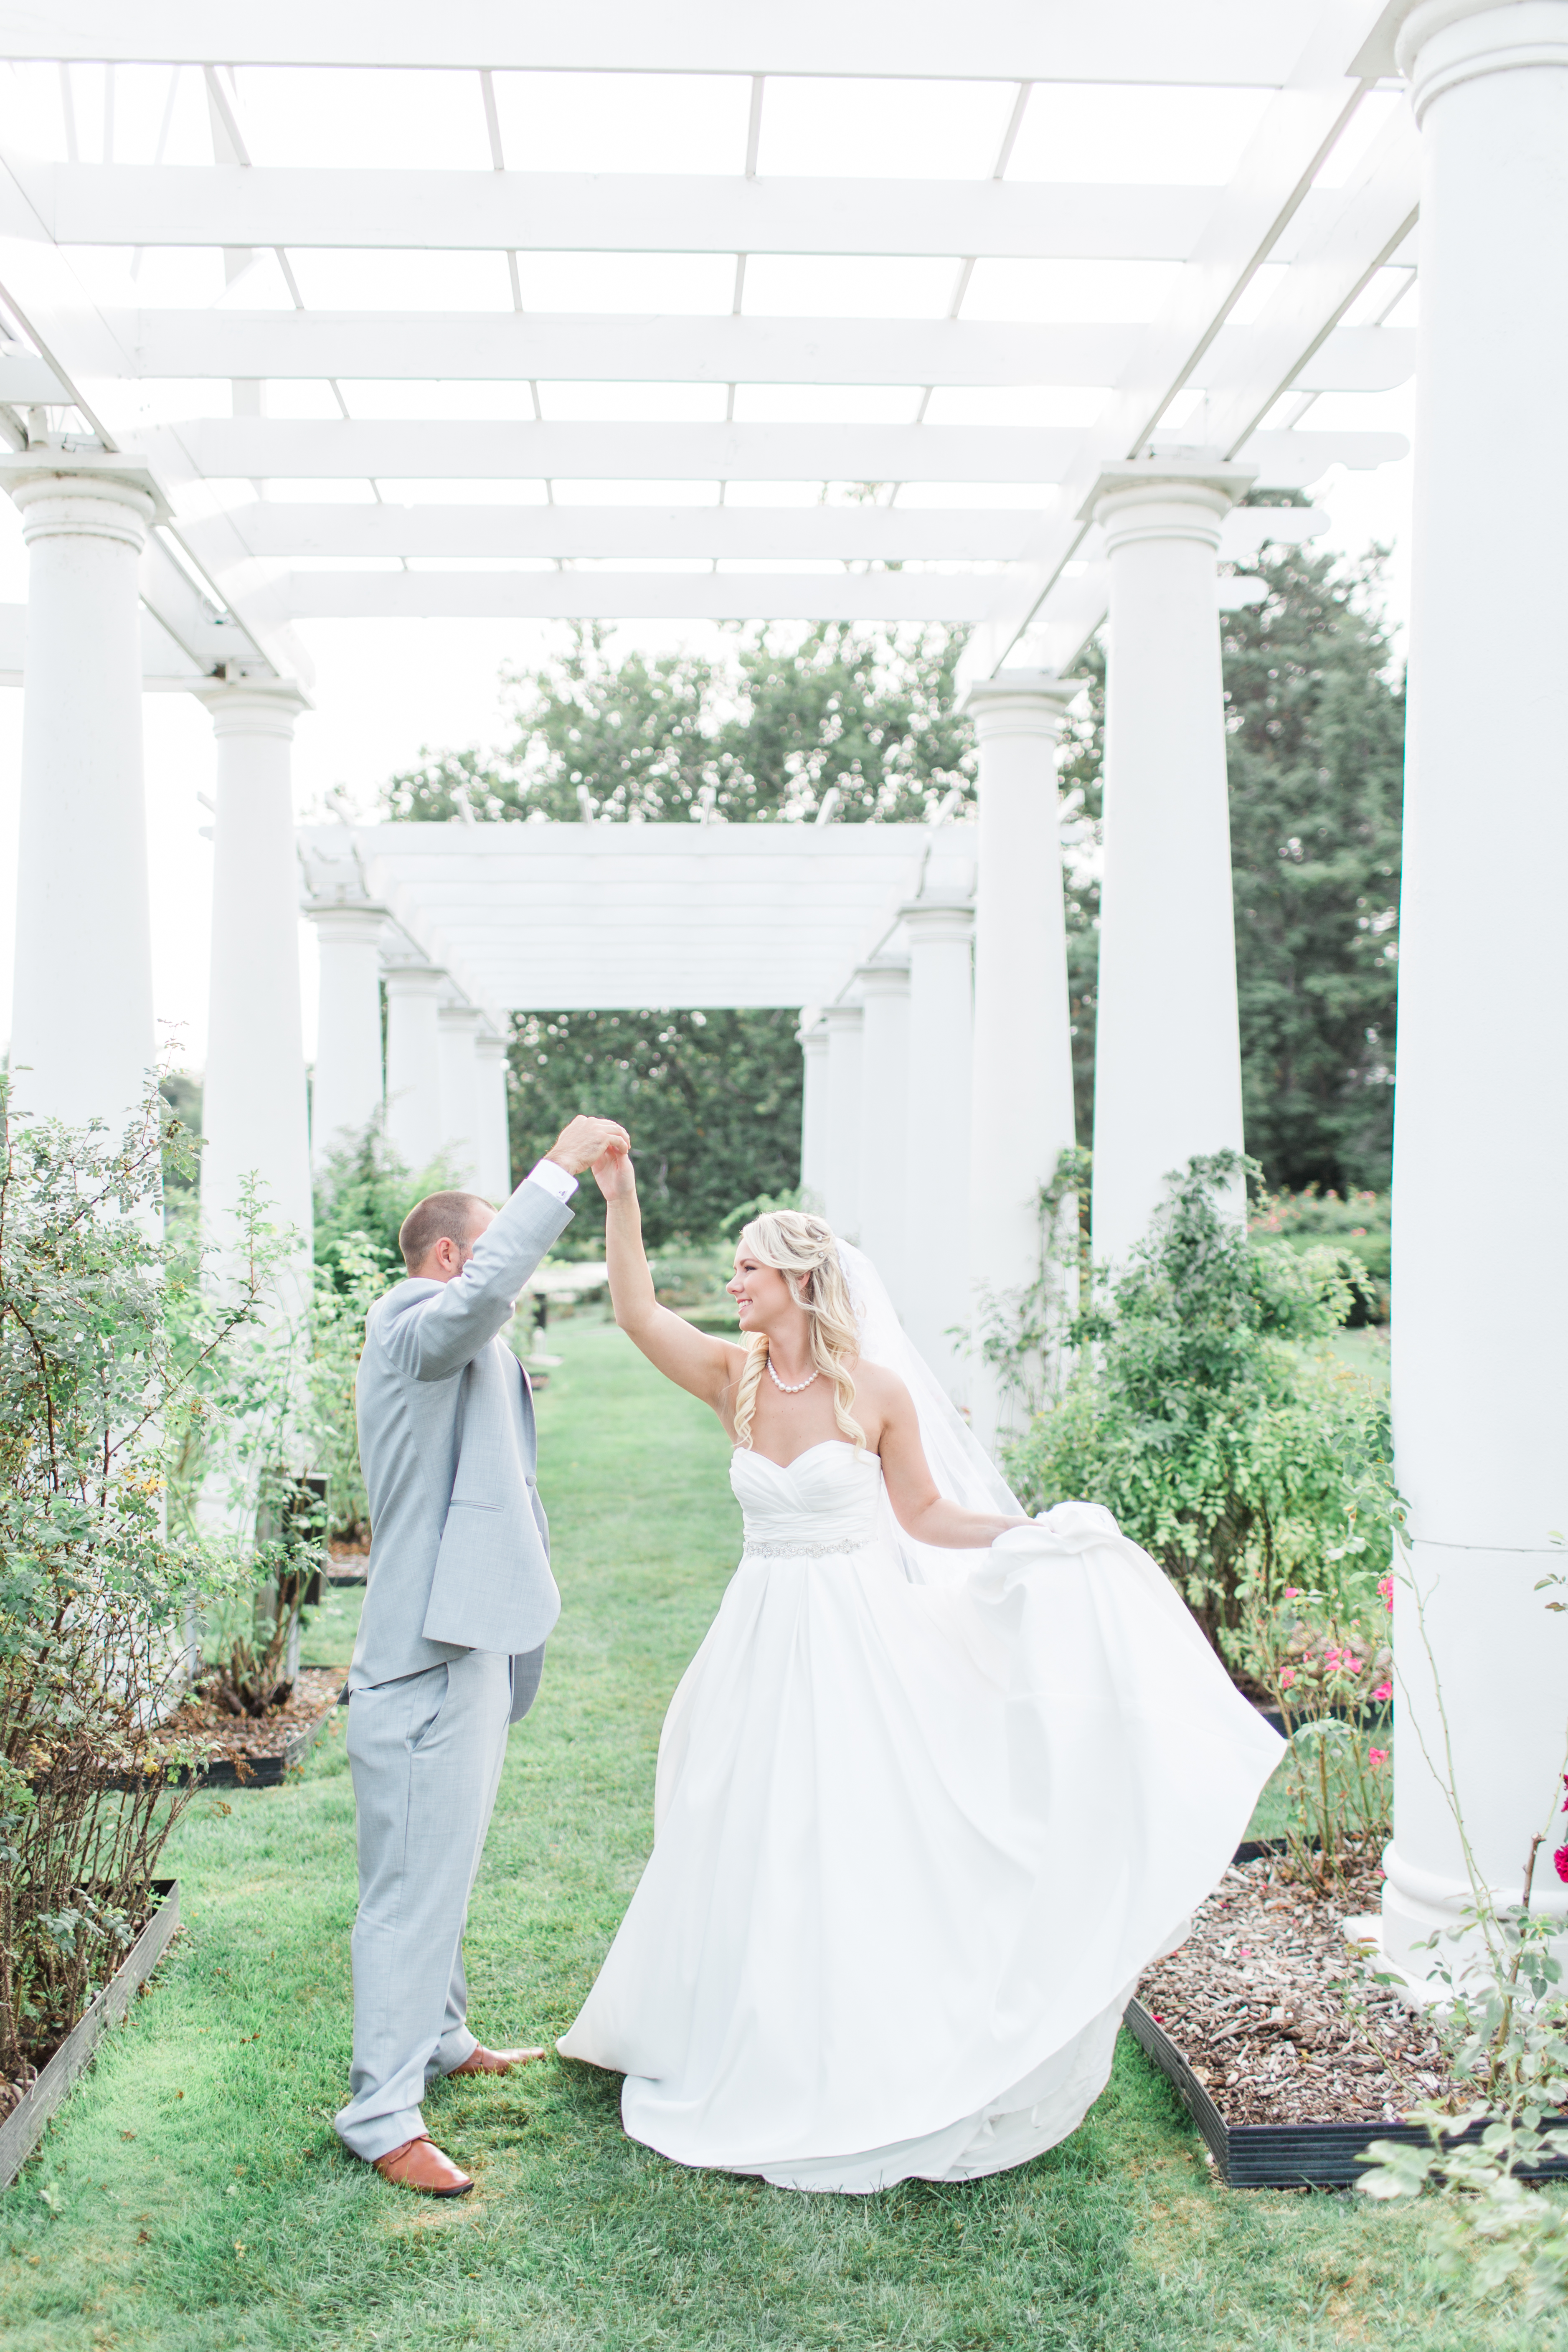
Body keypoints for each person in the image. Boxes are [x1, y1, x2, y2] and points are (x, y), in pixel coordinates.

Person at [557, 1143, 1284, 2192]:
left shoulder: (876, 1393)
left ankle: (876, 2027)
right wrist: (620, 1195)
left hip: (860, 1635)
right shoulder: (734, 1375)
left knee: (862, 1824)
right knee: (744, 1817)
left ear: (797, 1282)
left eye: (748, 1269)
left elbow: (926, 1516)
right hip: (760, 1629)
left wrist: (1031, 1536)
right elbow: (634, 1313)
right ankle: (740, 2024)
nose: (733, 1284)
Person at [334, 1114, 628, 2197]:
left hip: (472, 1642)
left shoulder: (457, 1335)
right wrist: (559, 1170)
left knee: (443, 1861)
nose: (511, 1264)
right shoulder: (411, 1321)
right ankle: (378, 2111)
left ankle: (443, 2037)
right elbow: (482, 1301)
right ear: (453, 1257)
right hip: (421, 1660)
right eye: (496, 1242)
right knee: (409, 1886)